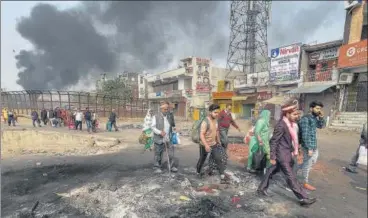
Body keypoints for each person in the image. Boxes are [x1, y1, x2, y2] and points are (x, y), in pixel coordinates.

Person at [257, 103, 316, 207]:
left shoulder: (290, 125)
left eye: (297, 114)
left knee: (271, 171)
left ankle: (261, 189)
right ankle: (303, 198)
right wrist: (272, 157)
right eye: (294, 114)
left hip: (286, 153)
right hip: (282, 155)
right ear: (287, 114)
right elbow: (274, 141)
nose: (296, 116)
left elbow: (289, 141)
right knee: (291, 176)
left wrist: (296, 150)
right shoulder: (281, 125)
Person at [196, 104, 230, 184]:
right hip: (204, 144)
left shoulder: (216, 120)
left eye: (218, 112)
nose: (217, 114)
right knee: (202, 159)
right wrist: (206, 145)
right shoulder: (205, 122)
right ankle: (198, 172)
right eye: (215, 112)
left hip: (214, 143)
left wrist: (218, 141)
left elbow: (217, 131)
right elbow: (201, 134)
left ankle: (222, 175)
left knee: (219, 158)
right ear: (210, 112)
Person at [298, 101, 325, 191]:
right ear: (311, 108)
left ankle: (293, 171)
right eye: (317, 108)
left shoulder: (314, 118)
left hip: (314, 145)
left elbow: (321, 126)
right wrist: (309, 148)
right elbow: (305, 135)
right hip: (308, 146)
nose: (319, 110)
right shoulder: (305, 119)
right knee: (307, 163)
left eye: (320, 109)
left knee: (311, 162)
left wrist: (321, 118)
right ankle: (304, 183)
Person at [151, 101, 177, 173]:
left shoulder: (170, 115)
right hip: (159, 138)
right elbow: (152, 127)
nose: (166, 110)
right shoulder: (155, 117)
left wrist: (174, 130)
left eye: (167, 109)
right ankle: (156, 167)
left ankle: (171, 166)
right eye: (165, 109)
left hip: (168, 137)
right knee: (158, 153)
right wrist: (160, 132)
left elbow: (173, 125)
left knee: (171, 152)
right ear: (161, 109)